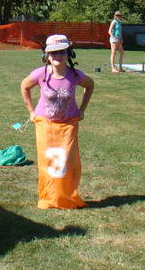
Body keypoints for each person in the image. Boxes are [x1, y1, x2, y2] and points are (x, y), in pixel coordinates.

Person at [20, 34, 94, 209]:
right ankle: (49, 197)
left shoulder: (75, 75)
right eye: (53, 53)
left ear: (68, 53)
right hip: (45, 125)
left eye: (61, 52)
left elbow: (90, 85)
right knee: (48, 162)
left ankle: (66, 196)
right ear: (47, 55)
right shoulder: (41, 74)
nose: (57, 56)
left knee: (68, 162)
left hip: (68, 125)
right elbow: (24, 86)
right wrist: (31, 112)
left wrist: (82, 110)